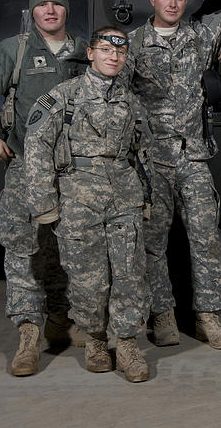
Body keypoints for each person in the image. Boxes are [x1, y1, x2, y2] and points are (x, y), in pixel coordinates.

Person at [0, 0, 87, 376]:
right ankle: (29, 333)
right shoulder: (14, 51)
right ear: (32, 11)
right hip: (25, 169)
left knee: (72, 249)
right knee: (23, 247)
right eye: (41, 6)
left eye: (57, 5)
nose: (50, 11)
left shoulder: (86, 52)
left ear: (67, 9)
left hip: (76, 170)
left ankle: (62, 320)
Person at [126, 0, 221, 350]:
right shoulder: (132, 45)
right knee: (152, 243)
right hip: (153, 163)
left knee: (206, 239)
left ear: (186, 1)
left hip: (193, 157)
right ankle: (163, 317)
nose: (172, 3)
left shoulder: (199, 35)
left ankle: (208, 318)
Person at [24, 26, 153, 382]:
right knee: (88, 279)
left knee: (129, 273)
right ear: (91, 54)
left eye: (121, 51)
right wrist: (45, 204)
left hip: (124, 197)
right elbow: (37, 149)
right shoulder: (62, 98)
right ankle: (96, 339)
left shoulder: (132, 102)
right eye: (106, 49)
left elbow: (142, 152)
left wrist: (147, 195)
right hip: (79, 201)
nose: (114, 56)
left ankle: (126, 343)